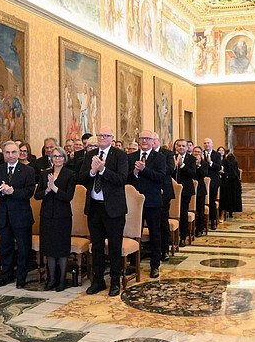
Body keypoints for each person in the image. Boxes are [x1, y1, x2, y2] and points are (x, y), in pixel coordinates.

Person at [84, 126, 128, 296]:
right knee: (97, 247)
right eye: (100, 135)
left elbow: (121, 179)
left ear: (112, 138)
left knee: (115, 247)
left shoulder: (120, 155)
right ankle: (98, 280)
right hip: (94, 207)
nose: (102, 138)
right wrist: (92, 171)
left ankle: (115, 282)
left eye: (106, 135)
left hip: (113, 209)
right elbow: (81, 178)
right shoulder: (90, 155)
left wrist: (103, 170)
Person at [0, 141, 36, 288]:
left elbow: (29, 192)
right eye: (7, 153)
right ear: (3, 154)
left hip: (21, 216)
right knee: (5, 247)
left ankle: (21, 277)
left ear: (19, 153)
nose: (11, 155)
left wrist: (13, 191)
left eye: (13, 152)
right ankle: (6, 276)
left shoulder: (28, 170)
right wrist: (2, 192)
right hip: (3, 215)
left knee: (23, 248)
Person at [34, 146, 76, 291]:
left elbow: (68, 197)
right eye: (55, 156)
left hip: (62, 216)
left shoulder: (70, 174)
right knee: (49, 249)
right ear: (51, 159)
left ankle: (62, 280)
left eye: (60, 156)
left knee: (62, 250)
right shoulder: (45, 174)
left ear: (64, 159)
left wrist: (54, 188)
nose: (57, 158)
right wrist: (46, 189)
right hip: (47, 216)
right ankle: (51, 279)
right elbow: (37, 195)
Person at [131, 130, 167, 278]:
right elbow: (125, 179)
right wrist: (134, 172)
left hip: (152, 201)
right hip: (134, 203)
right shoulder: (131, 157)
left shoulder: (160, 158)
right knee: (134, 235)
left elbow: (160, 177)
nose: (144, 141)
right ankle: (133, 265)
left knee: (155, 234)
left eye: (147, 138)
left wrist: (144, 170)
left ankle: (154, 265)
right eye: (142, 138)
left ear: (153, 142)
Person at [175, 139, 197, 246]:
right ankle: (172, 237)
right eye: (179, 146)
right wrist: (174, 166)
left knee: (183, 213)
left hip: (186, 190)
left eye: (183, 146)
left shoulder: (191, 159)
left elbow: (193, 174)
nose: (181, 148)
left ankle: (183, 237)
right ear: (176, 147)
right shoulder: (171, 158)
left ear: (187, 147)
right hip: (173, 190)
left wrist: (182, 165)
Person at [203, 137, 222, 229]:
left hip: (214, 181)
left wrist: (210, 163)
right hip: (203, 181)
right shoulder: (201, 154)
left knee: (211, 201)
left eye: (208, 143)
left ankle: (213, 221)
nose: (206, 145)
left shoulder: (217, 155)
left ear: (212, 144)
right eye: (205, 143)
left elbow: (218, 167)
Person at [220, 146, 243, 219]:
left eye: (222, 150)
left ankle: (226, 211)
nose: (220, 152)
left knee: (225, 189)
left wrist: (223, 173)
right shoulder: (218, 159)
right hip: (225, 179)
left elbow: (232, 172)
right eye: (219, 150)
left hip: (232, 181)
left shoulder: (230, 159)